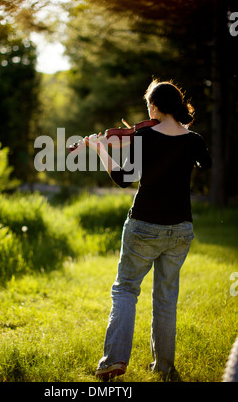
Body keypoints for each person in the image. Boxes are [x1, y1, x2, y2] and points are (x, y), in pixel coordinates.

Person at [84, 79, 212, 382]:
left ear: (155, 105)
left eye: (148, 106)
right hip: (180, 228)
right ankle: (164, 368)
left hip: (144, 225)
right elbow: (205, 162)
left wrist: (102, 148)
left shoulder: (144, 135)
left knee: (126, 289)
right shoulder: (193, 138)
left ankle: (113, 361)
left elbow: (123, 179)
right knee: (166, 298)